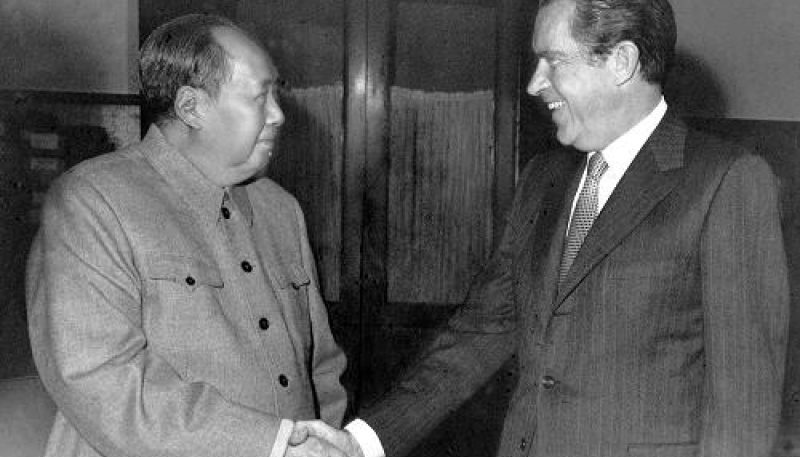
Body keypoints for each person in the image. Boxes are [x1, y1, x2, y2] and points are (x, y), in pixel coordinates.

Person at [290, 0, 790, 456]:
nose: (534, 83)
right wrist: (362, 441)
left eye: (554, 61)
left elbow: (743, 405)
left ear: (622, 62)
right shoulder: (542, 179)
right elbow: (480, 333)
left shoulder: (725, 181)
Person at [27, 13, 353, 457]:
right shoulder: (91, 202)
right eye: (259, 97)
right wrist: (273, 445)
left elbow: (321, 371)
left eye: (277, 94)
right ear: (191, 107)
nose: (278, 115)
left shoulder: (282, 210)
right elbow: (100, 380)